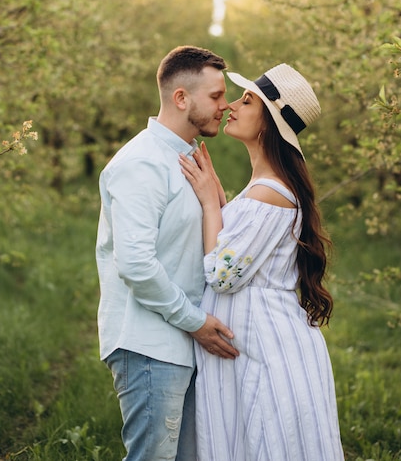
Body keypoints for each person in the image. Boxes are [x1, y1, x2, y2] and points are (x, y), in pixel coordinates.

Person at [180, 63, 345, 461]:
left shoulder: (271, 194)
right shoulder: (264, 189)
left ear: (269, 122)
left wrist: (208, 204)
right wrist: (221, 201)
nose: (232, 106)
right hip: (257, 346)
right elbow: (241, 246)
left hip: (269, 351)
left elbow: (222, 274)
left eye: (247, 100)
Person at [95, 45, 239, 461]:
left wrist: (218, 200)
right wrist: (196, 322)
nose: (224, 106)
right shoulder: (140, 163)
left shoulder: (187, 159)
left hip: (181, 344)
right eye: (215, 96)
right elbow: (136, 264)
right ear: (181, 98)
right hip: (148, 345)